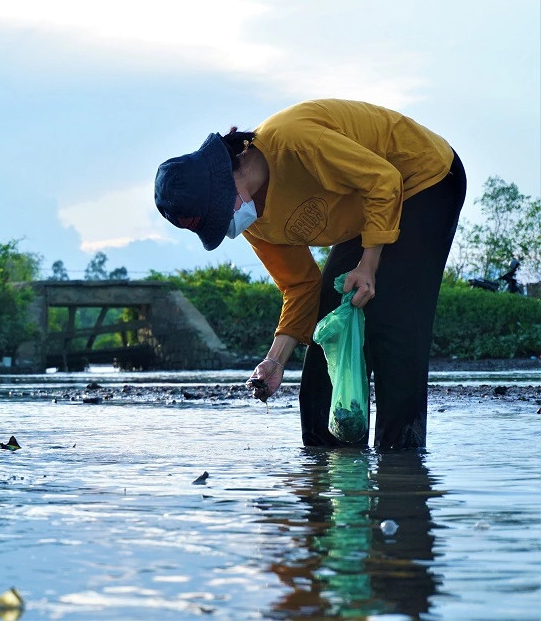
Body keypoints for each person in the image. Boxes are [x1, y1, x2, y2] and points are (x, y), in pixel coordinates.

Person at [154, 99, 465, 449]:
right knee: (327, 337)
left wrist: (368, 265)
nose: (226, 227)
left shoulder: (296, 142)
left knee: (392, 326)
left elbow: (384, 180)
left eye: (218, 215)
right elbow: (300, 285)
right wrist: (275, 360)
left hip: (423, 180)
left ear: (227, 178)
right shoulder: (254, 221)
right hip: (365, 209)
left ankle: (401, 470)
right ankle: (322, 474)